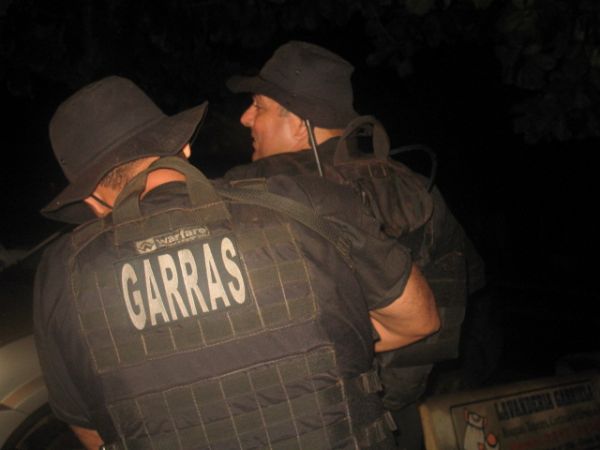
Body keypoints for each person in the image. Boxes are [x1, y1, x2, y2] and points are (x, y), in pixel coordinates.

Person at [34, 75, 439, 450]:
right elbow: (418, 321)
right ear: (183, 148)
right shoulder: (305, 203)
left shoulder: (60, 274)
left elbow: (94, 430)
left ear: (90, 199)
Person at [224, 40, 486, 449]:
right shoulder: (417, 188)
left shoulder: (253, 191)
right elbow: (466, 280)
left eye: (259, 106)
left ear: (299, 123)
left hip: (302, 424)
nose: (245, 118)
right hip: (401, 419)